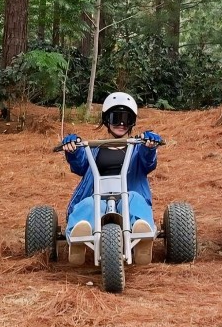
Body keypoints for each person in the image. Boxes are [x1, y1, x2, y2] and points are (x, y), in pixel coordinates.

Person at [59, 92, 161, 265]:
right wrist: (74, 150)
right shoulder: (94, 149)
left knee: (135, 199)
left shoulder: (137, 148)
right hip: (97, 196)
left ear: (132, 122)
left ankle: (142, 235)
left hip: (128, 196)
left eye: (126, 119)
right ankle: (78, 235)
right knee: (90, 204)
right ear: (106, 120)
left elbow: (147, 163)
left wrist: (149, 148)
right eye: (115, 118)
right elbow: (80, 164)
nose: (121, 124)